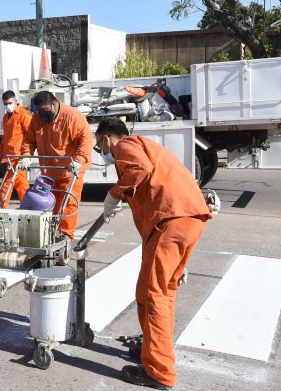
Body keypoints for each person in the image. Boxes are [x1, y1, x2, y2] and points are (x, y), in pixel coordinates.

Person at [94, 117, 212, 390]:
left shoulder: (125, 146)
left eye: (100, 146)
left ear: (105, 138)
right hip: (187, 221)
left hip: (169, 222)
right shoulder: (147, 145)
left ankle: (159, 371)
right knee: (162, 291)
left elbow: (139, 169)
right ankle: (153, 348)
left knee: (152, 295)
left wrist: (114, 194)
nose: (103, 153)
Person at [20, 90, 93, 241]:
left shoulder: (72, 117)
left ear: (54, 104)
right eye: (38, 110)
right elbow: (28, 139)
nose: (41, 114)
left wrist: (78, 160)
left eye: (44, 110)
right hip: (49, 172)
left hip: (70, 171)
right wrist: (26, 155)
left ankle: (65, 235)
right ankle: (50, 233)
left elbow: (85, 140)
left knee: (69, 204)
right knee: (49, 204)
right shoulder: (37, 119)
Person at [0, 90, 32, 208]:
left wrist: (26, 156)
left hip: (18, 157)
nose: (8, 106)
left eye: (10, 103)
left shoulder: (24, 115)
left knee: (8, 184)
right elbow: (5, 138)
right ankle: (29, 208)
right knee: (19, 185)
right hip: (10, 157)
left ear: (16, 101)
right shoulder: (6, 118)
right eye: (5, 104)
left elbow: (30, 137)